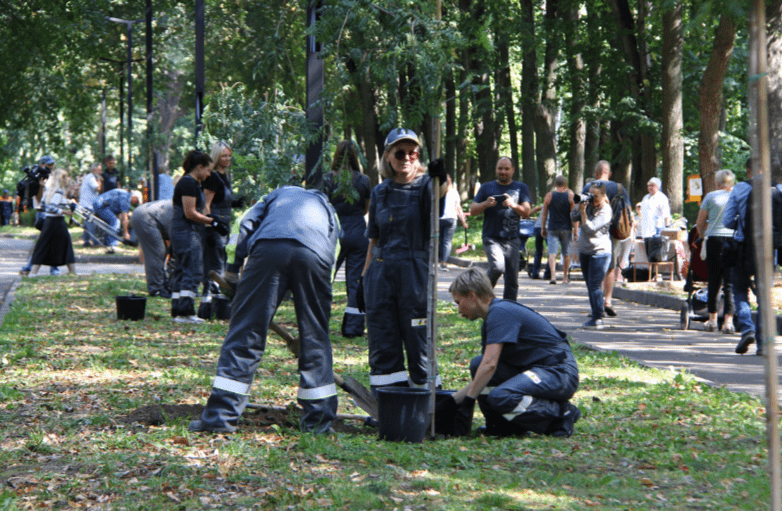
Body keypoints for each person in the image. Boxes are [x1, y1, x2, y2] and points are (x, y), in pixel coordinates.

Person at [190, 186, 341, 434]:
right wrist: (317, 295)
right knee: (316, 338)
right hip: (317, 257)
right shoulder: (328, 209)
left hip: (269, 249)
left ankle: (220, 419)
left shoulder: (274, 196)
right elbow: (333, 250)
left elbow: (243, 225)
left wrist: (232, 268)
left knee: (245, 332)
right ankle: (318, 423)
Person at [361, 128, 447, 392]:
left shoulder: (425, 187)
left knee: (418, 337)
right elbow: (373, 240)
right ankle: (388, 403)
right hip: (381, 273)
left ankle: (425, 402)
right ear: (388, 156)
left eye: (413, 152)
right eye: (400, 152)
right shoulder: (379, 192)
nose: (407, 158)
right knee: (383, 338)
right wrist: (362, 281)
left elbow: (440, 193)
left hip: (414, 275)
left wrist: (441, 177)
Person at [449, 268, 580, 437]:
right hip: (536, 370)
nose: (459, 310)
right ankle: (502, 427)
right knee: (477, 364)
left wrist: (468, 402)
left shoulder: (500, 313)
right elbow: (484, 372)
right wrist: (452, 401)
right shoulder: (490, 320)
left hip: (558, 372)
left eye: (458, 302)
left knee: (501, 395)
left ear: (472, 295)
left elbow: (490, 365)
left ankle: (561, 414)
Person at [724, 160, 782, 356]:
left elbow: (727, 221)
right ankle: (763, 344)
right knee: (764, 296)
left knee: (739, 290)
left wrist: (741, 225)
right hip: (768, 251)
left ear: (748, 170)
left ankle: (746, 328)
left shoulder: (740, 188)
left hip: (743, 249)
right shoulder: (778, 189)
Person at [170, 150, 224, 324]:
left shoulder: (192, 183)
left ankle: (178, 309)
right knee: (192, 270)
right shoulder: (188, 183)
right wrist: (212, 222)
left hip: (186, 231)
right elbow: (190, 212)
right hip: (186, 231)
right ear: (199, 167)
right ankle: (186, 312)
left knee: (182, 268)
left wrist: (210, 221)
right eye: (208, 170)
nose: (209, 174)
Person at [323, 140, 371, 338]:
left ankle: (319, 323)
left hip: (335, 231)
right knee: (355, 282)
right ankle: (353, 328)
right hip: (359, 232)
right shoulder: (364, 180)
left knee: (326, 278)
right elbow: (366, 208)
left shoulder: (328, 179)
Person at [470, 156, 531, 300]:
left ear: (513, 170)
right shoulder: (487, 187)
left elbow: (526, 212)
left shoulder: (521, 187)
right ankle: (479, 294)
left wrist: (513, 205)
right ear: (496, 169)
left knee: (512, 280)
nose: (503, 171)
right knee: (497, 267)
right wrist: (485, 204)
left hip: (512, 238)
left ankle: (508, 309)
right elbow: (473, 210)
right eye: (500, 168)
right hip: (491, 236)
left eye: (506, 169)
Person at [581, 161, 630, 317]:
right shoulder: (619, 188)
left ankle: (597, 305)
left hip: (595, 233)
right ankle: (608, 300)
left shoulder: (588, 187)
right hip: (614, 231)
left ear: (596, 173)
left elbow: (581, 208)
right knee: (610, 267)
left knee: (594, 272)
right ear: (608, 173)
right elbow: (628, 211)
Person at [694, 169, 736, 334]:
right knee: (730, 283)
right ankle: (728, 322)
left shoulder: (711, 197)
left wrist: (704, 236)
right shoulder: (737, 197)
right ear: (732, 183)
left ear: (717, 182)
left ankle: (712, 320)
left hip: (714, 240)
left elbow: (699, 222)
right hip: (732, 240)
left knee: (714, 281)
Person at [573, 183, 612, 329]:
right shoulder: (588, 205)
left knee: (595, 285)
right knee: (590, 285)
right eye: (590, 195)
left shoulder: (606, 210)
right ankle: (596, 313)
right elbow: (572, 217)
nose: (592, 199)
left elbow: (590, 229)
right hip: (585, 251)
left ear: (603, 196)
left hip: (600, 252)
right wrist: (579, 206)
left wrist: (583, 213)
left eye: (596, 196)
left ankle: (597, 319)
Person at [28, 169, 77, 276]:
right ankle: (73, 272)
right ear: (61, 178)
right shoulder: (58, 191)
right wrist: (66, 212)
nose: (67, 179)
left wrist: (68, 203)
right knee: (66, 245)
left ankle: (33, 273)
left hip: (48, 222)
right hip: (57, 222)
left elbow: (43, 204)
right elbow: (52, 207)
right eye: (65, 177)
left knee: (42, 246)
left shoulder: (49, 191)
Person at [130, 199, 174, 298]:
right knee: (158, 252)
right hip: (145, 217)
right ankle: (157, 288)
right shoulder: (185, 211)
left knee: (161, 251)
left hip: (143, 214)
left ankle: (162, 284)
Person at [540, 175, 576, 285]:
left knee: (552, 253)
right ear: (565, 185)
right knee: (566, 254)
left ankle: (553, 276)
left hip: (552, 228)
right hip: (566, 228)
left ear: (555, 184)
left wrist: (543, 228)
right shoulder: (570, 196)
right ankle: (565, 278)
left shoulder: (549, 196)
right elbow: (573, 215)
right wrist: (576, 229)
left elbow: (544, 214)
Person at [439, 174, 468, 271]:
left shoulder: (438, 192)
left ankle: (438, 259)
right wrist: (463, 221)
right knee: (447, 241)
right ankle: (444, 262)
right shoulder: (454, 192)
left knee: (440, 240)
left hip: (439, 219)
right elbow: (458, 208)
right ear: (450, 182)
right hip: (451, 218)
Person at [78, 162, 103, 247]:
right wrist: (100, 180)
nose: (100, 172)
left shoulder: (89, 177)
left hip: (86, 204)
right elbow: (97, 188)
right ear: (93, 170)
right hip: (87, 205)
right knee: (91, 224)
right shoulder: (91, 178)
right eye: (99, 170)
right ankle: (95, 243)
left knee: (87, 224)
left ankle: (86, 242)